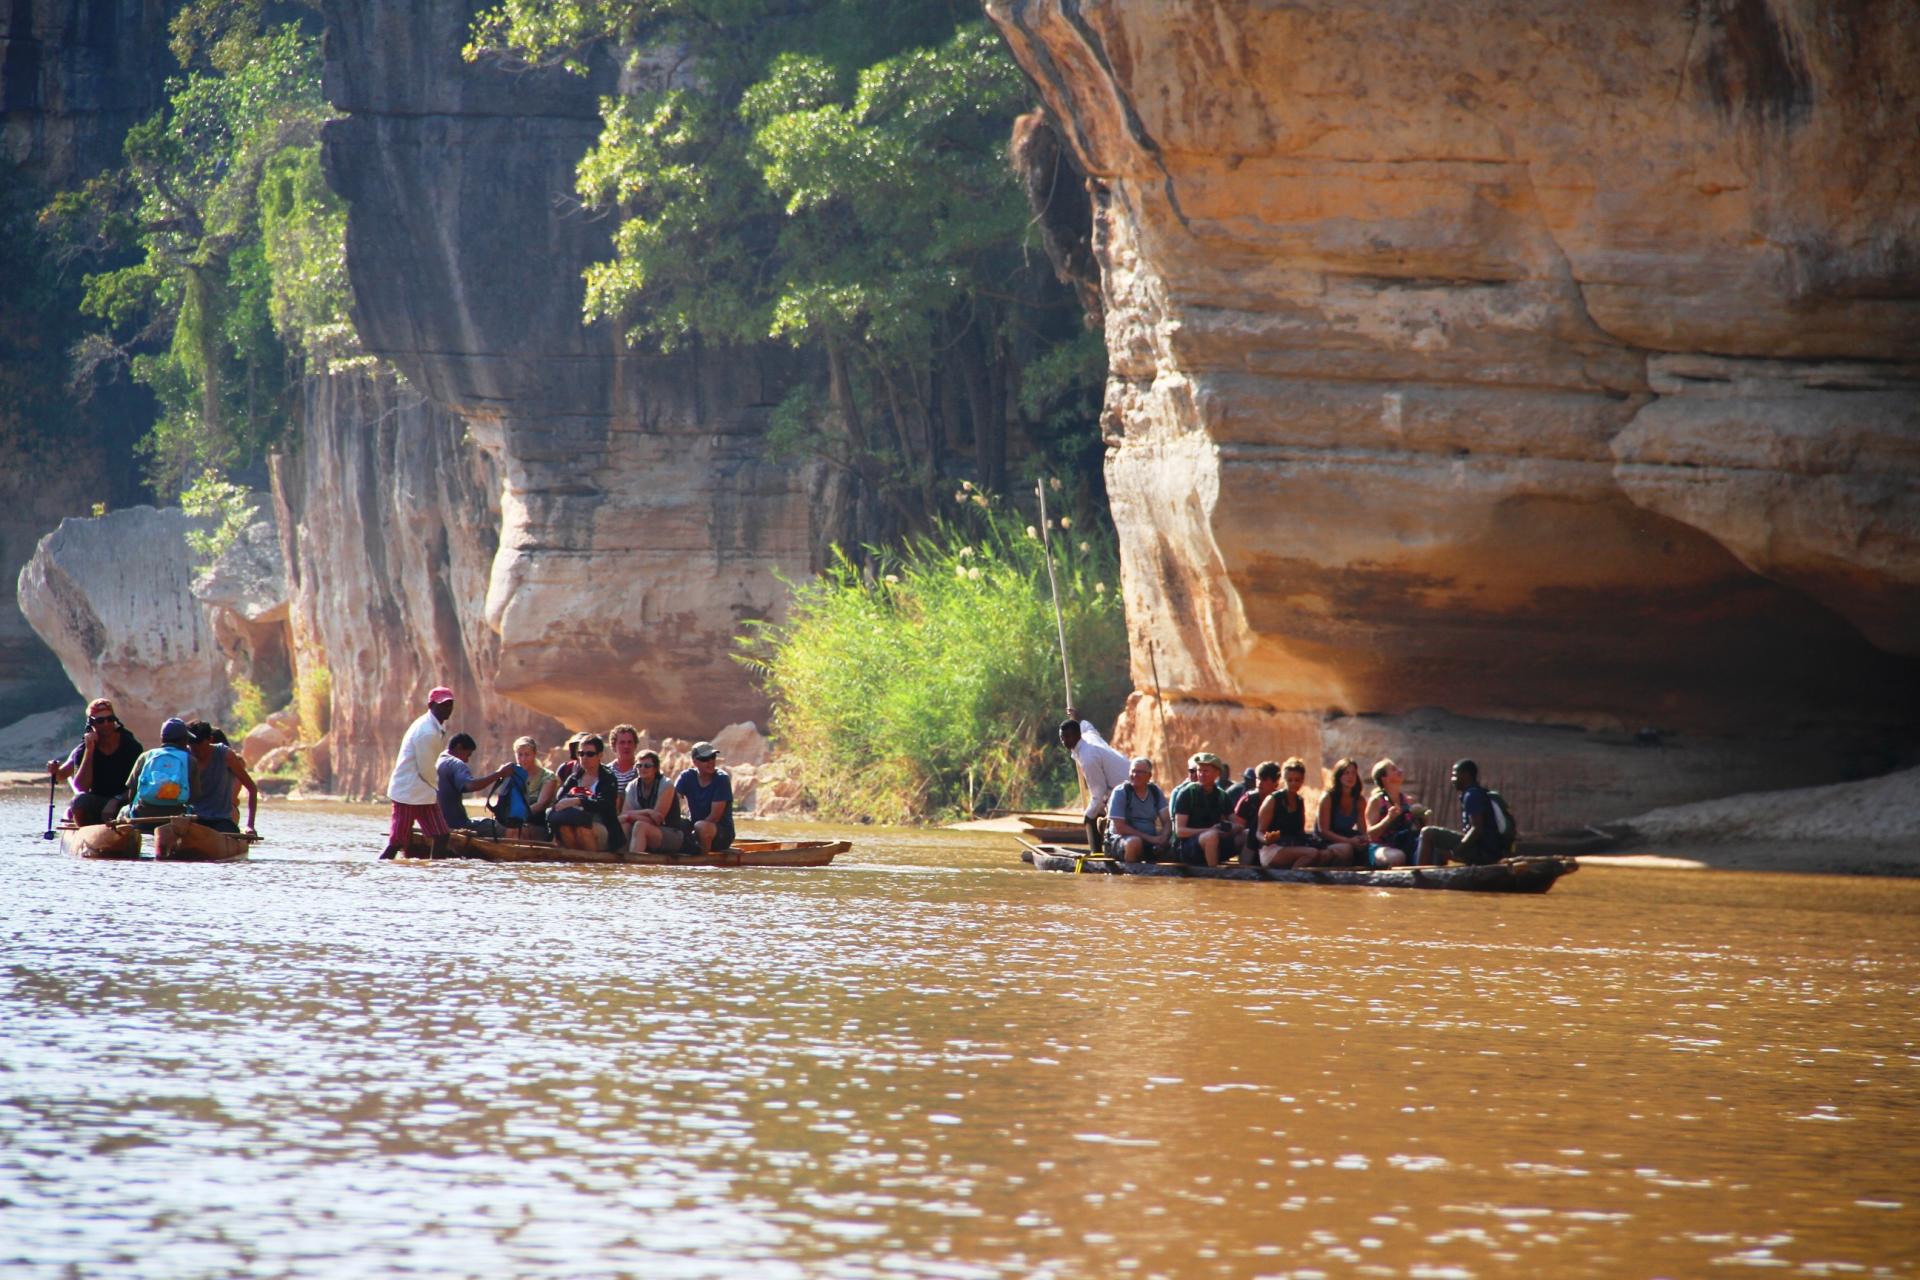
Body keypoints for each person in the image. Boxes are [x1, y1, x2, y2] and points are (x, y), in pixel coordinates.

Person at [378, 686, 456, 859]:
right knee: (397, 842)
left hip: (423, 792)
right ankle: (380, 871)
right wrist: (437, 788)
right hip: (408, 792)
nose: (447, 709)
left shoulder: (432, 726)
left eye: (450, 705)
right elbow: (426, 768)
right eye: (442, 705)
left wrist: (433, 789)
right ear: (431, 705)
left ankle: (435, 874)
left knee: (442, 835)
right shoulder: (427, 731)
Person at [47, 698, 144, 826]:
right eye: (100, 721)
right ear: (91, 725)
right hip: (97, 801)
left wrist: (116, 801)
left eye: (110, 719)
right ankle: (87, 833)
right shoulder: (83, 749)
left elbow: (139, 785)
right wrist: (90, 750)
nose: (106, 724)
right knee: (79, 800)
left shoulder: (131, 746)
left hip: (124, 802)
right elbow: (81, 788)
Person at [1414, 759, 1512, 867]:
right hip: (1487, 849)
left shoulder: (1472, 795)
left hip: (1484, 852)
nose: (1452, 780)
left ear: (1466, 775)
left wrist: (1457, 850)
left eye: (1455, 775)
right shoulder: (1477, 792)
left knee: (1427, 832)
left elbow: (1477, 829)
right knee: (1438, 850)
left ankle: (1421, 874)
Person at [123, 717, 198, 855]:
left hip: (142, 816)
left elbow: (132, 790)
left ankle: (125, 842)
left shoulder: (146, 756)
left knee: (123, 811)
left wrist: (134, 809)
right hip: (176, 816)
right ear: (183, 740)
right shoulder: (190, 760)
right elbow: (195, 795)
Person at [1060, 711, 1130, 850]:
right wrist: (1075, 717)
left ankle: (1096, 853)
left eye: (1068, 737)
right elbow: (1086, 725)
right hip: (1125, 781)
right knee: (1096, 812)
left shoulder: (1088, 758)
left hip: (1124, 790)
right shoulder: (1089, 735)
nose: (1064, 741)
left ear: (1077, 735)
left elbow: (1098, 794)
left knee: (1091, 816)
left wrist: (1087, 816)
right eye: (1062, 738)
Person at [185, 720, 259, 841]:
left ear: (210, 739)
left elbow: (252, 788)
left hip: (221, 820)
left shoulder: (225, 755)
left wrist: (250, 825)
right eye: (191, 744)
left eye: (199, 744)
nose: (195, 749)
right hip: (192, 818)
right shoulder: (186, 755)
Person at [1258, 758, 1337, 869]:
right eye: (1290, 780)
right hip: (1272, 849)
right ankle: (1293, 879)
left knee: (1327, 854)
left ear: (1302, 780)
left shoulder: (1300, 801)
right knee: (1311, 853)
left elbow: (1300, 832)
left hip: (1292, 845)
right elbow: (1259, 832)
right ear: (1284, 780)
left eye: (1297, 780)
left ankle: (1304, 878)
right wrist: (1266, 839)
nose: (1293, 783)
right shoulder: (1273, 800)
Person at [548, 733, 621, 851]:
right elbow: (560, 800)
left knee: (583, 829)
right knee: (564, 827)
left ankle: (592, 865)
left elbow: (604, 803)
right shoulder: (574, 777)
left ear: (600, 755)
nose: (584, 757)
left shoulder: (608, 778)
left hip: (602, 825)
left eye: (590, 754)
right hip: (575, 821)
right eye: (581, 754)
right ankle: (578, 864)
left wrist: (577, 801)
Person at [437, 733, 513, 837]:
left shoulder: (437, 761)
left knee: (481, 820)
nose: (467, 760)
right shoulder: (456, 763)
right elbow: (471, 786)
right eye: (468, 755)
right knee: (505, 829)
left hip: (437, 824)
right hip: (457, 825)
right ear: (459, 747)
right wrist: (500, 773)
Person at [1171, 751, 1234, 867]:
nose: (1201, 774)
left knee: (1245, 835)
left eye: (1206, 771)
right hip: (1187, 848)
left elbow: (1236, 823)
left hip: (1215, 841)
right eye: (1199, 770)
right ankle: (1214, 875)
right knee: (1211, 836)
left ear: (1217, 773)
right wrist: (1209, 830)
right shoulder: (1187, 794)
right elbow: (1180, 831)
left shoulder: (1222, 796)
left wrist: (1229, 829)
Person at [1364, 758, 1428, 869]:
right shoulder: (1377, 801)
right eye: (1394, 769)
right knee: (1398, 857)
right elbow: (1370, 835)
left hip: (1405, 843)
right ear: (1384, 778)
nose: (1400, 771)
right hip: (1381, 847)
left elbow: (1421, 829)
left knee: (1433, 851)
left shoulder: (1409, 801)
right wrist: (1388, 818)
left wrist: (1422, 817)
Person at [620, 749, 688, 854]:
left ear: (655, 768)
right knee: (625, 825)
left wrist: (630, 816)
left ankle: (634, 865)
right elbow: (624, 814)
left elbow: (657, 819)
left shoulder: (666, 785)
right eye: (639, 765)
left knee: (640, 826)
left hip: (670, 834)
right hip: (641, 831)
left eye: (647, 766)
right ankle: (621, 862)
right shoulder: (632, 786)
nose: (642, 768)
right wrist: (647, 812)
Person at [1105, 756, 1170, 862]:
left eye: (1140, 772)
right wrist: (1152, 839)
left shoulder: (1155, 791)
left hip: (1151, 840)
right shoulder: (1121, 792)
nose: (1135, 775)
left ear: (1149, 776)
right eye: (1133, 771)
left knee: (1173, 843)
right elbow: (1120, 828)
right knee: (1134, 842)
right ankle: (1131, 874)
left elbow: (1167, 820)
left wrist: (1164, 837)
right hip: (1121, 840)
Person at [676, 740, 735, 854]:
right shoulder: (686, 776)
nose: (710, 761)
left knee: (701, 827)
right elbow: (672, 800)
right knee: (678, 824)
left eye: (712, 757)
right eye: (705, 759)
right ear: (694, 762)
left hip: (720, 833)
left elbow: (714, 817)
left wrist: (694, 833)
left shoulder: (721, 779)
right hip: (696, 827)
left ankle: (702, 858)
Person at [490, 736, 557, 836]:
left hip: (538, 822)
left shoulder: (547, 776)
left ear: (534, 754)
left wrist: (518, 816)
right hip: (513, 821)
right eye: (520, 755)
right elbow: (503, 800)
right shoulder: (511, 774)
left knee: (516, 830)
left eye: (527, 755)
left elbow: (541, 804)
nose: (523, 759)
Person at [1316, 757, 1368, 865]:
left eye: (1353, 773)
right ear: (1339, 776)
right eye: (1346, 773)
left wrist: (1363, 840)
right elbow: (1323, 831)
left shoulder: (1359, 800)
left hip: (1348, 837)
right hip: (1326, 841)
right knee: (1346, 849)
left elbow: (1362, 830)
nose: (1350, 777)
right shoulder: (1328, 798)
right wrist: (1349, 841)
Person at [607, 724, 644, 791]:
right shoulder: (606, 772)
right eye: (622, 742)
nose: (626, 746)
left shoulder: (644, 768)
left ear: (635, 745)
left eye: (629, 742)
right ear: (614, 745)